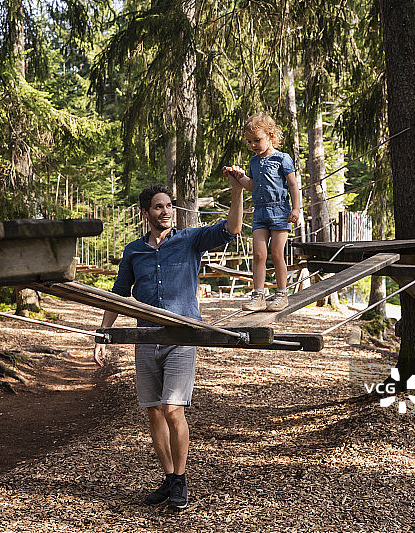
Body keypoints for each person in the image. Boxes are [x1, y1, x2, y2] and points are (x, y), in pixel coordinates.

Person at [93, 180, 244, 510]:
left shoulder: (190, 239)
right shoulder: (134, 251)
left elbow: (231, 229)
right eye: (159, 207)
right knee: (154, 411)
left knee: (173, 409)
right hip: (146, 339)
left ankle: (180, 479)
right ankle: (170, 478)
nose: (166, 212)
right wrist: (103, 334)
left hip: (181, 338)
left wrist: (237, 192)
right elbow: (118, 295)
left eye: (169, 206)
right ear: (146, 212)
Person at [222, 112, 302, 312]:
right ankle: (258, 295)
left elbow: (293, 185)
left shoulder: (282, 159)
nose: (253, 145)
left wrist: (296, 208)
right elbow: (251, 185)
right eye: (249, 142)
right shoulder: (254, 162)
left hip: (280, 211)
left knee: (276, 253)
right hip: (260, 213)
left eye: (257, 140)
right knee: (258, 254)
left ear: (270, 136)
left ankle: (282, 294)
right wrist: (238, 176)